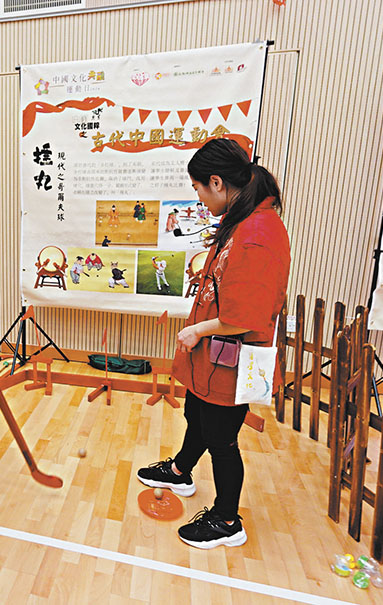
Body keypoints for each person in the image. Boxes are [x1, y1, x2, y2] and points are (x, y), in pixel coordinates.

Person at [136, 138, 290, 550]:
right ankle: (182, 470)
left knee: (222, 439)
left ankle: (226, 520)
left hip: (229, 355)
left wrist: (198, 331)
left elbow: (248, 316)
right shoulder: (242, 217)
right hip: (214, 352)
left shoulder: (257, 234)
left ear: (217, 183)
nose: (200, 199)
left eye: (199, 189)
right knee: (197, 412)